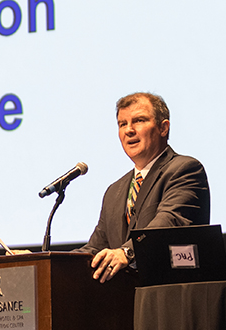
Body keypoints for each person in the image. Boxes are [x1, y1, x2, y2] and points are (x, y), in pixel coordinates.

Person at [80, 92, 210, 282]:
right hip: (123, 303)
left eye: (139, 121)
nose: (129, 130)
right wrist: (40, 259)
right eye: (122, 124)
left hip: (168, 297)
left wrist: (127, 252)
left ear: (163, 128)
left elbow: (168, 223)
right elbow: (94, 249)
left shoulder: (184, 170)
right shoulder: (114, 191)